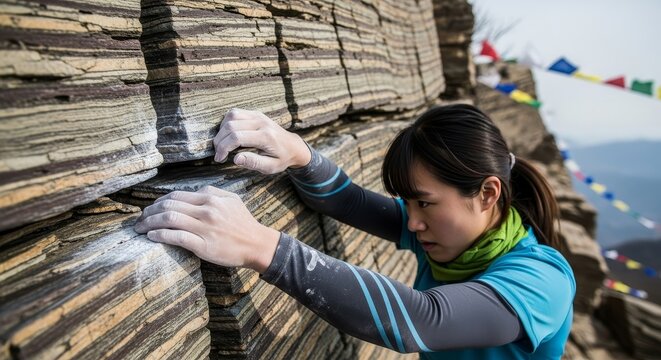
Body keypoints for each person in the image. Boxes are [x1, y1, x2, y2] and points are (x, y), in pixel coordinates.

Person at [134, 104, 575, 359]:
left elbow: (423, 320)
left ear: (487, 193)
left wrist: (259, 245)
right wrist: (300, 154)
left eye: (424, 202)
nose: (412, 221)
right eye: (408, 202)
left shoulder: (541, 281)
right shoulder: (456, 235)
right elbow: (348, 202)